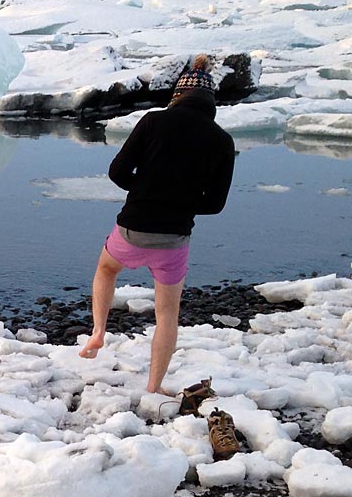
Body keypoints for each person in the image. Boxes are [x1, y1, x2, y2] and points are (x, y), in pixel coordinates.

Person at [78, 55, 236, 394]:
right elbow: (216, 204)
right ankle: (153, 387)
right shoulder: (222, 141)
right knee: (167, 314)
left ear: (177, 95)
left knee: (107, 269)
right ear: (211, 103)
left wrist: (148, 190)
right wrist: (181, 202)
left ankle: (98, 332)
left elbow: (117, 172)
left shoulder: (152, 122)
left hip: (133, 228)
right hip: (174, 238)